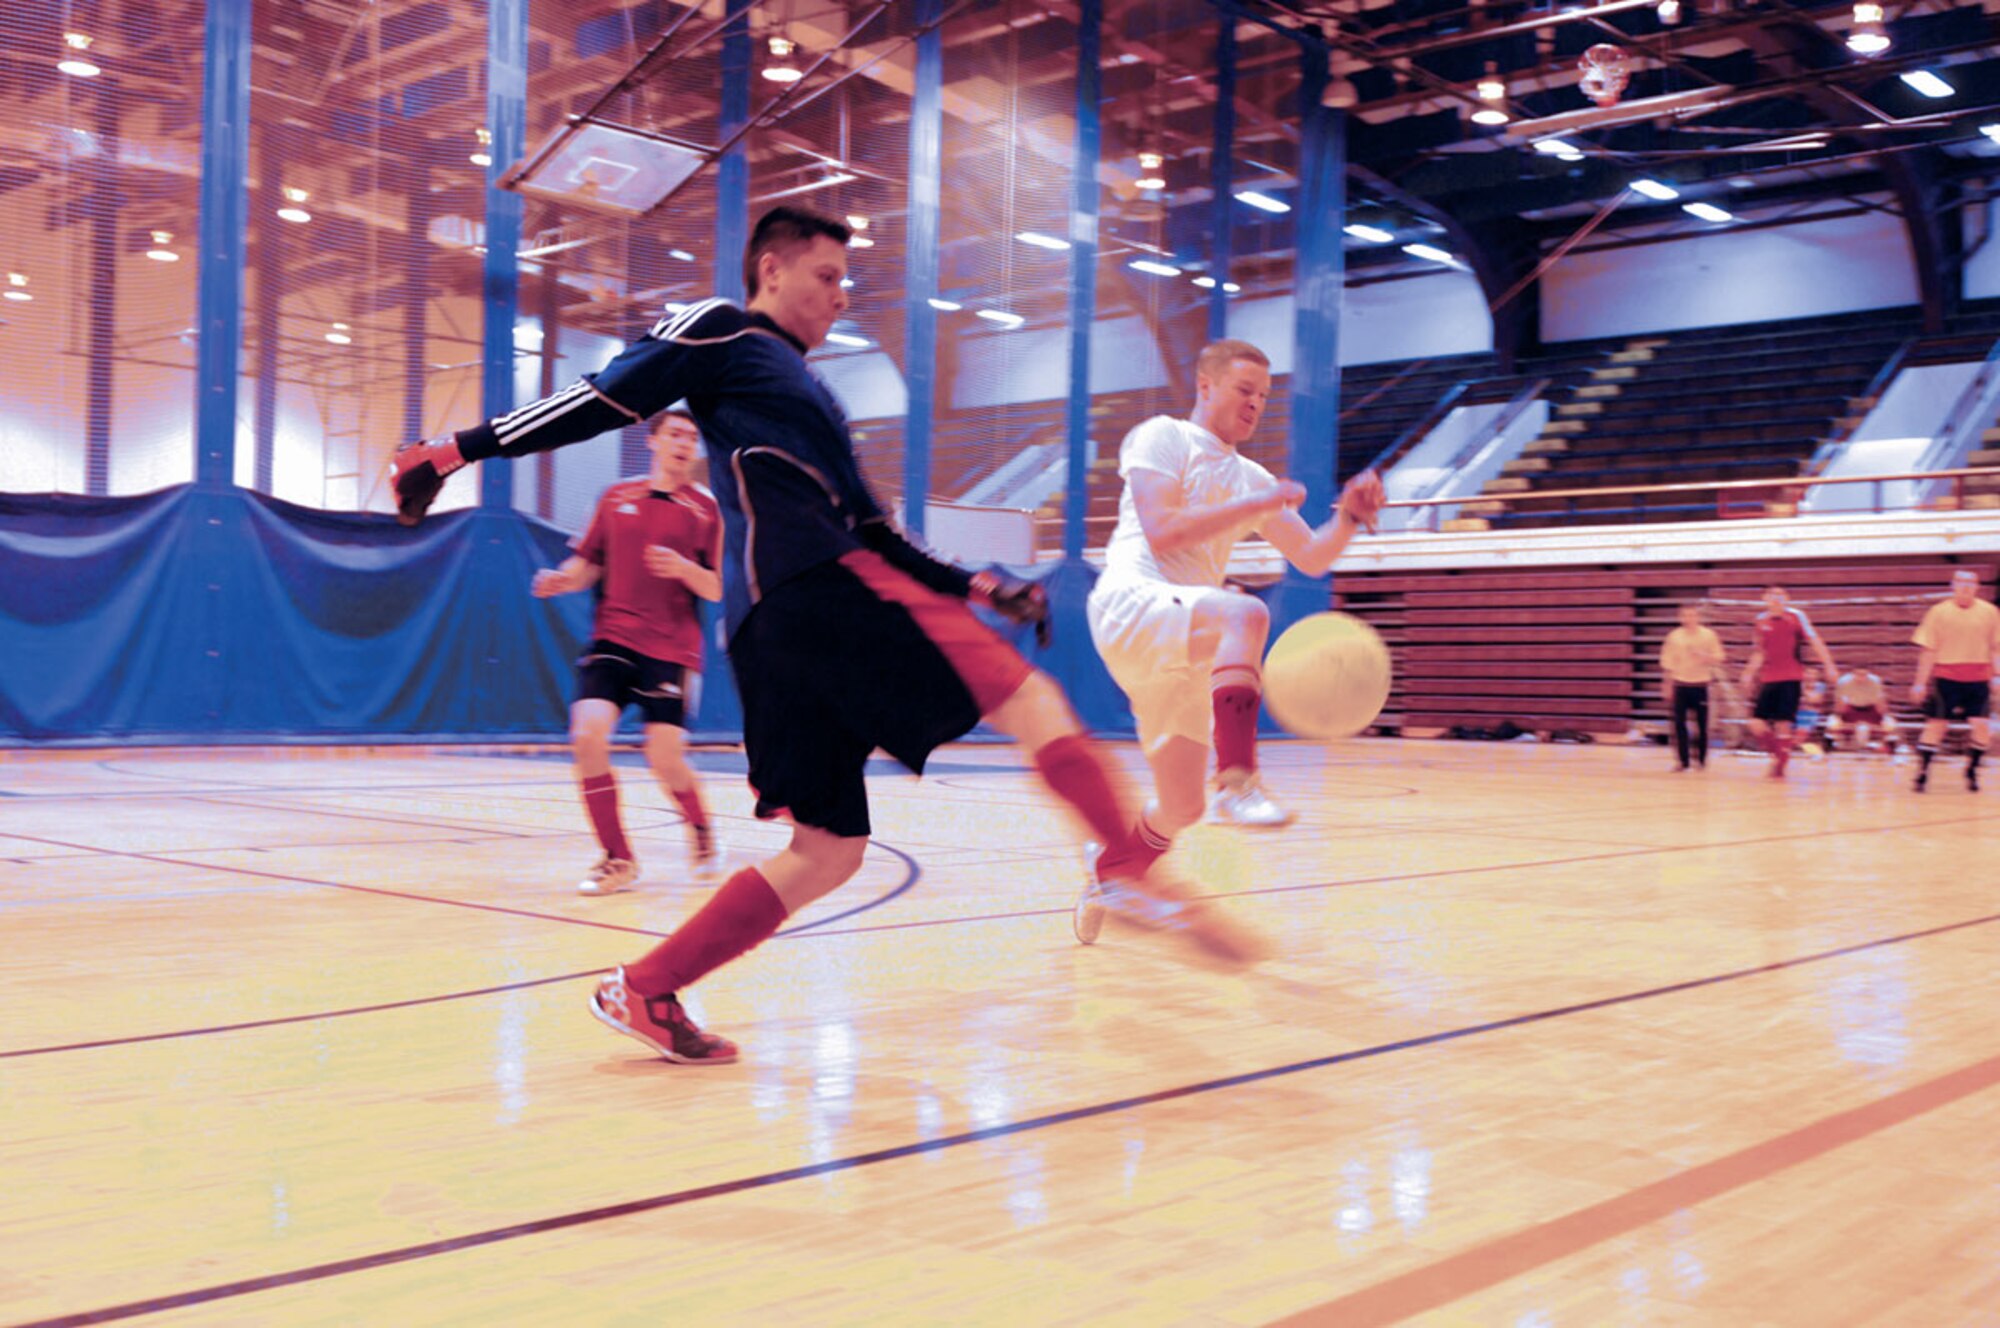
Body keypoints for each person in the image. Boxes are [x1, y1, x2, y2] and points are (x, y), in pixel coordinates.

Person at [389, 204, 1259, 1065]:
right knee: (1031, 698)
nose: (841, 296)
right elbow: (603, 398)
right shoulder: (722, 329)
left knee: (829, 851)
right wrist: (451, 451)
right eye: (827, 276)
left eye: (847, 282)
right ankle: (1124, 866)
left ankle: (647, 987)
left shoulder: (814, 400)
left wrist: (979, 585)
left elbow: (876, 530)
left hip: (783, 622)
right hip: (812, 589)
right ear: (772, 269)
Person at [1085, 340, 1382, 843]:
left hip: (1183, 640)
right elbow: (1163, 529)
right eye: (1245, 389)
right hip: (1132, 601)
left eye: (1264, 396)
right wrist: (1257, 504)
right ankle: (1238, 783)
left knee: (1180, 806)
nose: (1255, 404)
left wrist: (1349, 517)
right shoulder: (1164, 436)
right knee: (1245, 615)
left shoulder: (1251, 478)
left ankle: (1110, 868)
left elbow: (1310, 556)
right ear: (1206, 386)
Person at [531, 408, 721, 896]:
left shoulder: (705, 510)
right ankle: (618, 859)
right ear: (653, 441)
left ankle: (699, 825)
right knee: (588, 735)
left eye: (692, 437)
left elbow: (716, 588)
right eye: (675, 433)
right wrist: (562, 580)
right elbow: (587, 564)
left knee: (663, 757)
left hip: (672, 648)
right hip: (614, 638)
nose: (684, 443)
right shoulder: (616, 498)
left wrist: (682, 567)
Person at [1908, 568, 2000, 793]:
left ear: (1977, 587)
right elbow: (1928, 650)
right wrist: (1919, 682)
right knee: (1936, 726)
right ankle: (1923, 771)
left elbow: (1995, 647)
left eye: (1971, 582)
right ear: (1953, 585)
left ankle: (1972, 768)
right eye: (1960, 581)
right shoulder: (1938, 612)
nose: (1965, 586)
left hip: (1978, 677)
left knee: (1982, 728)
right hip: (1947, 676)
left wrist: (1997, 675)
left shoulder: (1989, 612)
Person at [1739, 585, 1837, 779]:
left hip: (1791, 678)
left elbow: (1815, 641)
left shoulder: (1796, 616)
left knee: (1783, 724)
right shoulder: (1760, 620)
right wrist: (1748, 673)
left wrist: (1829, 665)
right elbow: (1760, 652)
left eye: (1780, 595)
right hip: (1768, 679)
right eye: (1772, 595)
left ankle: (1779, 767)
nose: (1776, 599)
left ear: (1787, 598)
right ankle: (1779, 755)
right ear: (1764, 598)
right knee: (1756, 724)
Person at [1658, 601, 1723, 771]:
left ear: (1698, 617)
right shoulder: (1674, 637)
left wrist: (1705, 656)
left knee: (1702, 725)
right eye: (1685, 615)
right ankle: (1682, 761)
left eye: (1692, 615)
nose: (1689, 618)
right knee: (1678, 725)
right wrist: (1667, 684)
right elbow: (1668, 663)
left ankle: (1701, 760)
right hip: (1680, 684)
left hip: (1701, 685)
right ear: (1680, 617)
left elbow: (1719, 657)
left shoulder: (1708, 635)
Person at [1828, 667, 1890, 756]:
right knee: (1832, 722)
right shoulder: (1844, 681)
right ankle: (1833, 749)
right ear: (1853, 674)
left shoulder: (1875, 681)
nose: (1861, 678)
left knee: (1888, 724)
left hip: (1870, 710)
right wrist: (1839, 719)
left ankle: (1881, 749)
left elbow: (1880, 703)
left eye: (1864, 675)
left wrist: (1884, 719)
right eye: (1858, 675)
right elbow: (1839, 704)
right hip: (1852, 709)